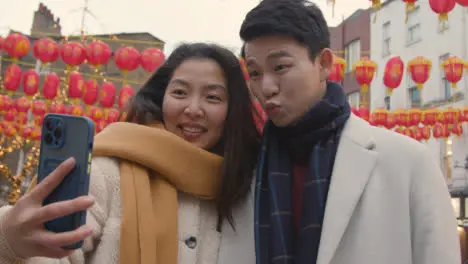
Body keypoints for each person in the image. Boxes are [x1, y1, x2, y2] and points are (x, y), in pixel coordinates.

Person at [239, 0, 461, 264]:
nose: (266, 87)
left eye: (280, 67)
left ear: (323, 63)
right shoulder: (246, 170)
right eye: (254, 72)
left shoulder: (408, 162)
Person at [0, 43, 259, 264]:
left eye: (212, 97)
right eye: (180, 92)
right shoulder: (107, 172)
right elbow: (49, 253)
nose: (193, 109)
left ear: (232, 109)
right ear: (161, 98)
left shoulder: (245, 189)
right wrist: (9, 242)